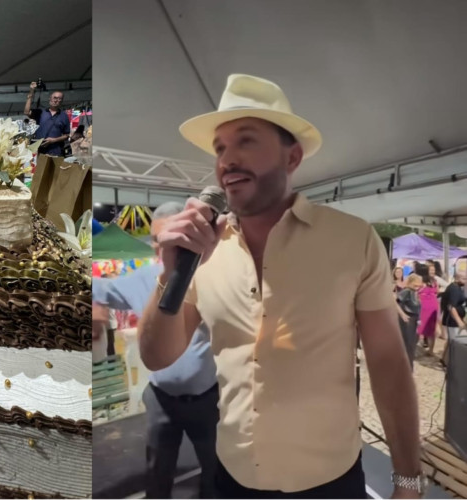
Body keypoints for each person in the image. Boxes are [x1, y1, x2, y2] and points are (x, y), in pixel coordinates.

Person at [137, 74, 422, 498]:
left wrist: (408, 479)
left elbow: (388, 363)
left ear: (292, 158)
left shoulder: (352, 239)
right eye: (220, 148)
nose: (226, 159)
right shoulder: (203, 253)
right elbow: (157, 356)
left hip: (331, 483)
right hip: (232, 478)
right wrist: (169, 273)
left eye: (245, 141)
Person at [93, 201, 219, 499]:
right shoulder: (140, 279)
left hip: (209, 400)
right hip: (162, 399)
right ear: (155, 243)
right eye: (166, 238)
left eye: (182, 236)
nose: (174, 245)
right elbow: (95, 288)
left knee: (215, 472)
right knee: (158, 473)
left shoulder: (212, 274)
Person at [24, 82, 70, 157]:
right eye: (54, 98)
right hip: (39, 151)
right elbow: (26, 111)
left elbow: (66, 135)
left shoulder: (64, 116)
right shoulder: (41, 112)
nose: (56, 100)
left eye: (59, 99)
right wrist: (31, 91)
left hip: (56, 152)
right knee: (39, 168)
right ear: (50, 99)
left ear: (61, 101)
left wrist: (54, 140)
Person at [440, 266, 466, 367]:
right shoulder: (454, 289)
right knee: (454, 343)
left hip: (454, 319)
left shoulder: (457, 287)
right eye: (464, 278)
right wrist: (459, 321)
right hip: (452, 320)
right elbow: (451, 307)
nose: (466, 280)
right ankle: (452, 363)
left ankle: (444, 359)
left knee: (451, 341)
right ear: (456, 278)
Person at [397, 273, 423, 367]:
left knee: (412, 342)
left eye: (418, 286)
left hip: (414, 319)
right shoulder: (406, 291)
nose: (417, 287)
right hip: (407, 319)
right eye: (415, 285)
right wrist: (402, 314)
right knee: (408, 343)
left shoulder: (414, 292)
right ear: (410, 283)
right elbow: (395, 302)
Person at [417, 264, 440, 355]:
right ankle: (417, 348)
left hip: (433, 306)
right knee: (420, 328)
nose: (433, 272)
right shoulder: (420, 281)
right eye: (431, 270)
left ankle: (431, 350)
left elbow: (437, 292)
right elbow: (416, 292)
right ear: (426, 271)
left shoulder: (435, 281)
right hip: (423, 307)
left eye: (434, 270)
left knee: (431, 329)